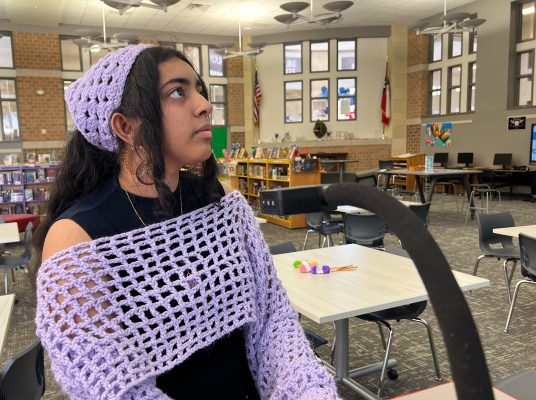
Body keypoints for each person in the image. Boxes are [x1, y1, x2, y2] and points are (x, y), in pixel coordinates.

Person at [32, 44, 339, 400]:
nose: (205, 105)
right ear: (125, 126)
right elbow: (113, 391)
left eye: (200, 89)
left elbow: (273, 321)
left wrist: (306, 391)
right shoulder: (75, 238)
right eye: (177, 92)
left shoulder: (221, 203)